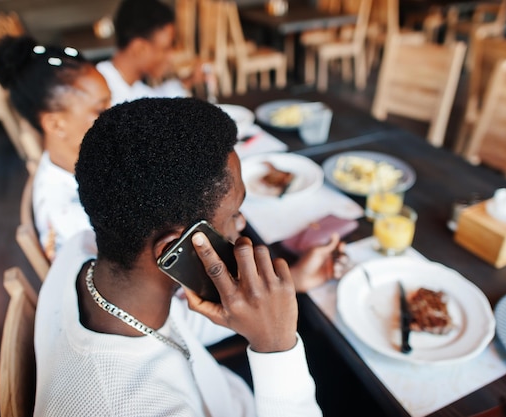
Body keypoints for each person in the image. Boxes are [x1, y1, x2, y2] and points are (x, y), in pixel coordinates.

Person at [34, 98, 336, 416]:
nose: (241, 223)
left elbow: (177, 327)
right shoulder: (131, 406)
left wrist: (295, 282)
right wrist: (276, 346)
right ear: (174, 248)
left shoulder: (83, 254)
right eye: (234, 213)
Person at [0, 35, 111, 260]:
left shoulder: (85, 159)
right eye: (100, 110)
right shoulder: (69, 217)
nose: (113, 116)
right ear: (55, 124)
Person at [96, 0, 205, 106]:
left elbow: (161, 99)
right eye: (165, 49)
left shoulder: (135, 88)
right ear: (139, 48)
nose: (170, 56)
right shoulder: (98, 91)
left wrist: (190, 80)